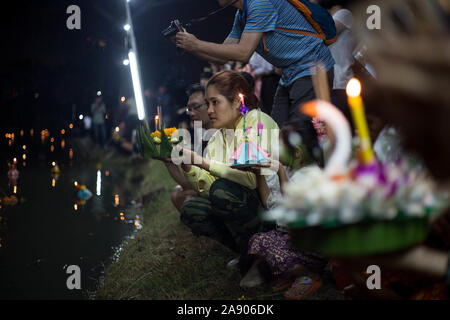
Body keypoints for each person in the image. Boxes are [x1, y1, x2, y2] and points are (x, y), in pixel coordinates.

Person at [174, 0, 335, 155]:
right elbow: (222, 56)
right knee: (274, 135)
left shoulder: (260, 3)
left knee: (297, 136)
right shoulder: (242, 15)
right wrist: (189, 46)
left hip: (311, 68)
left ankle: (316, 176)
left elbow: (243, 53)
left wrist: (196, 44)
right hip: (290, 74)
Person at [176, 71, 280, 275]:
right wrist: (187, 165)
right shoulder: (218, 137)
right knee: (193, 209)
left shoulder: (256, 122)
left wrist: (201, 161)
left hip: (275, 209)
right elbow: (207, 187)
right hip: (250, 204)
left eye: (215, 102)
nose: (210, 110)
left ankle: (264, 255)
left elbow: (251, 179)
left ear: (236, 101)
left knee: (222, 191)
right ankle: (248, 252)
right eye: (208, 103)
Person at [160, 84, 212, 213]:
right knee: (177, 195)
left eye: (196, 107)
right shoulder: (202, 135)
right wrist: (168, 162)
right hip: (209, 187)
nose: (191, 113)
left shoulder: (225, 132)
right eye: (189, 109)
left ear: (211, 104)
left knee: (187, 199)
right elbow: (189, 185)